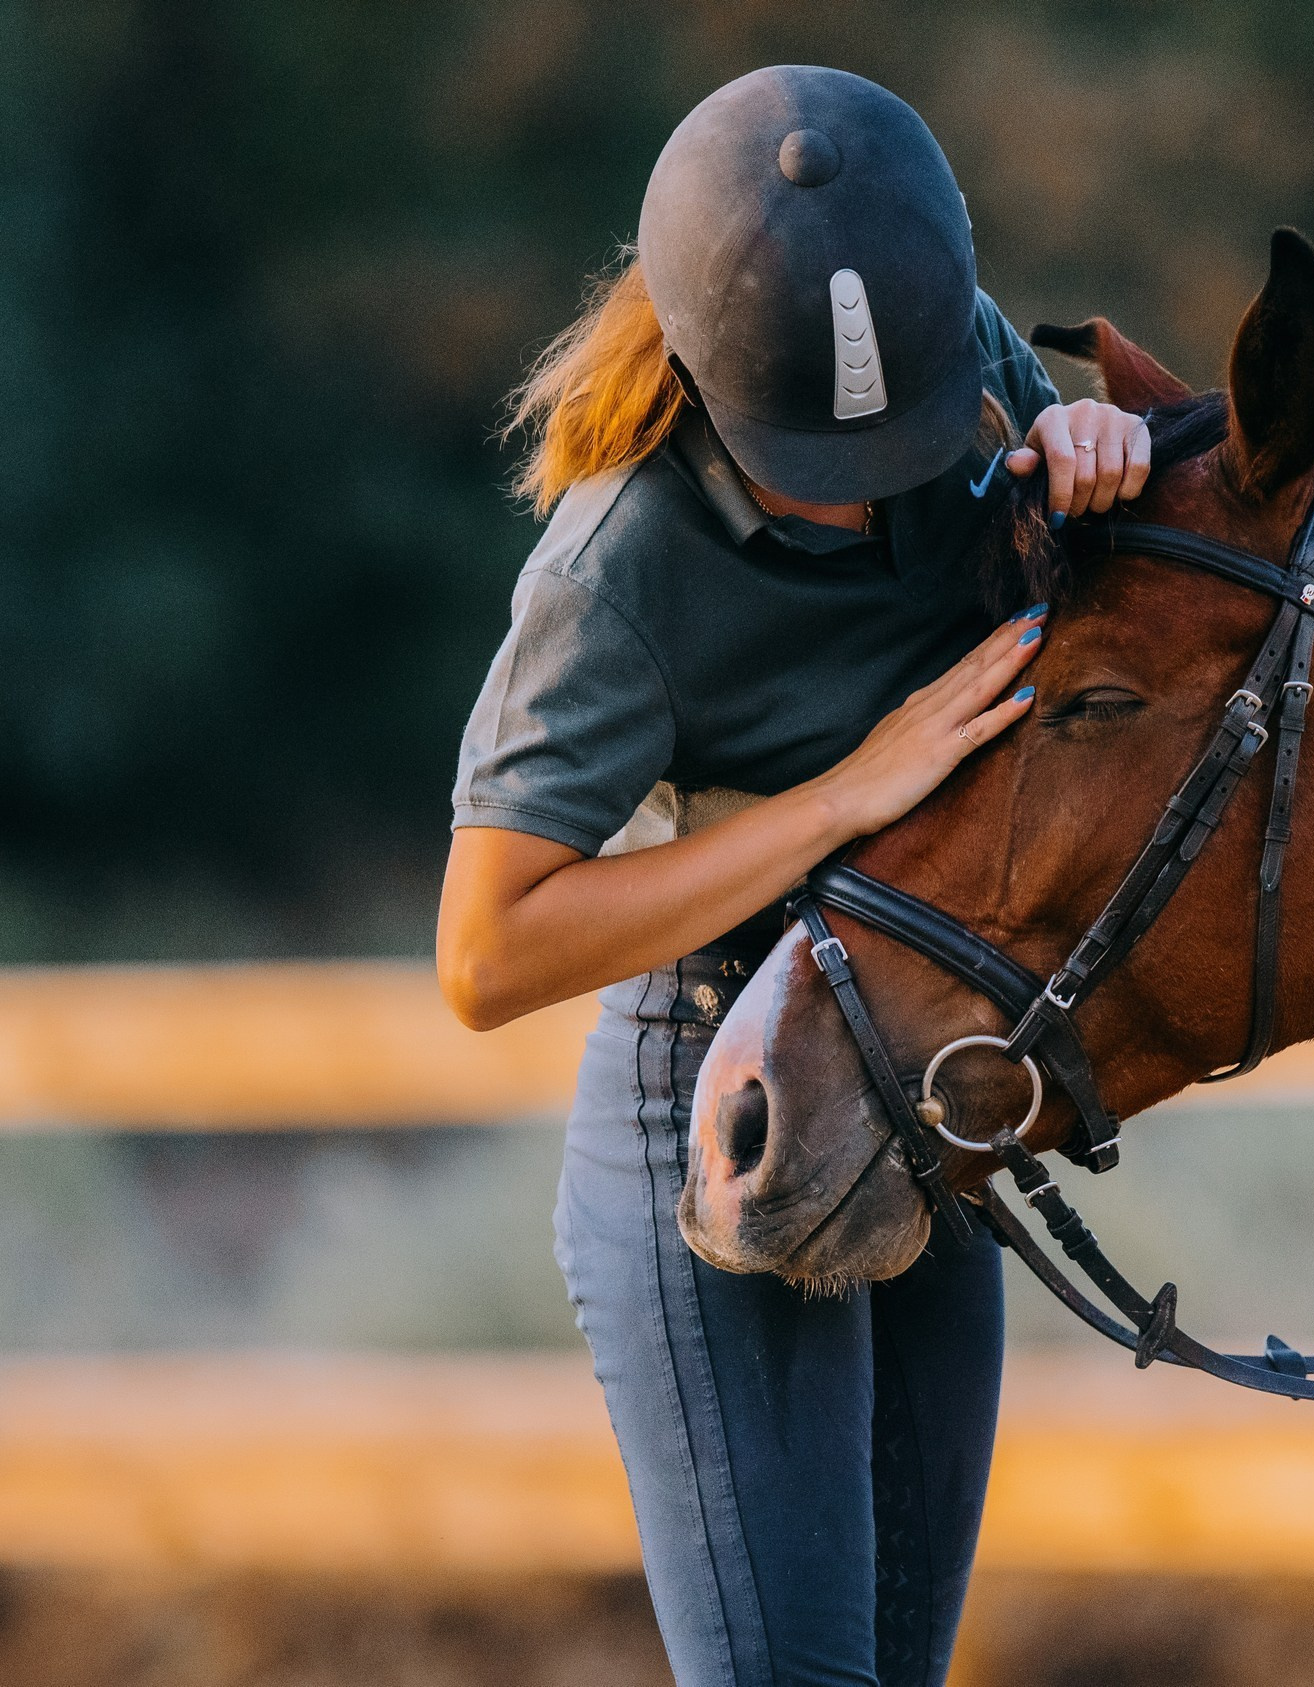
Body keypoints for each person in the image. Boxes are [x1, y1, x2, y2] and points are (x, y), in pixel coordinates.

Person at [435, 65, 1150, 1687]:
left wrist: (1102, 455)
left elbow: (1088, 609)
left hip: (923, 1064)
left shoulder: (952, 358)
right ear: (704, 380)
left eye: (893, 442)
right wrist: (845, 795)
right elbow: (483, 956)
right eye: (805, 458)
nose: (864, 485)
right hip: (717, 1083)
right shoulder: (615, 573)